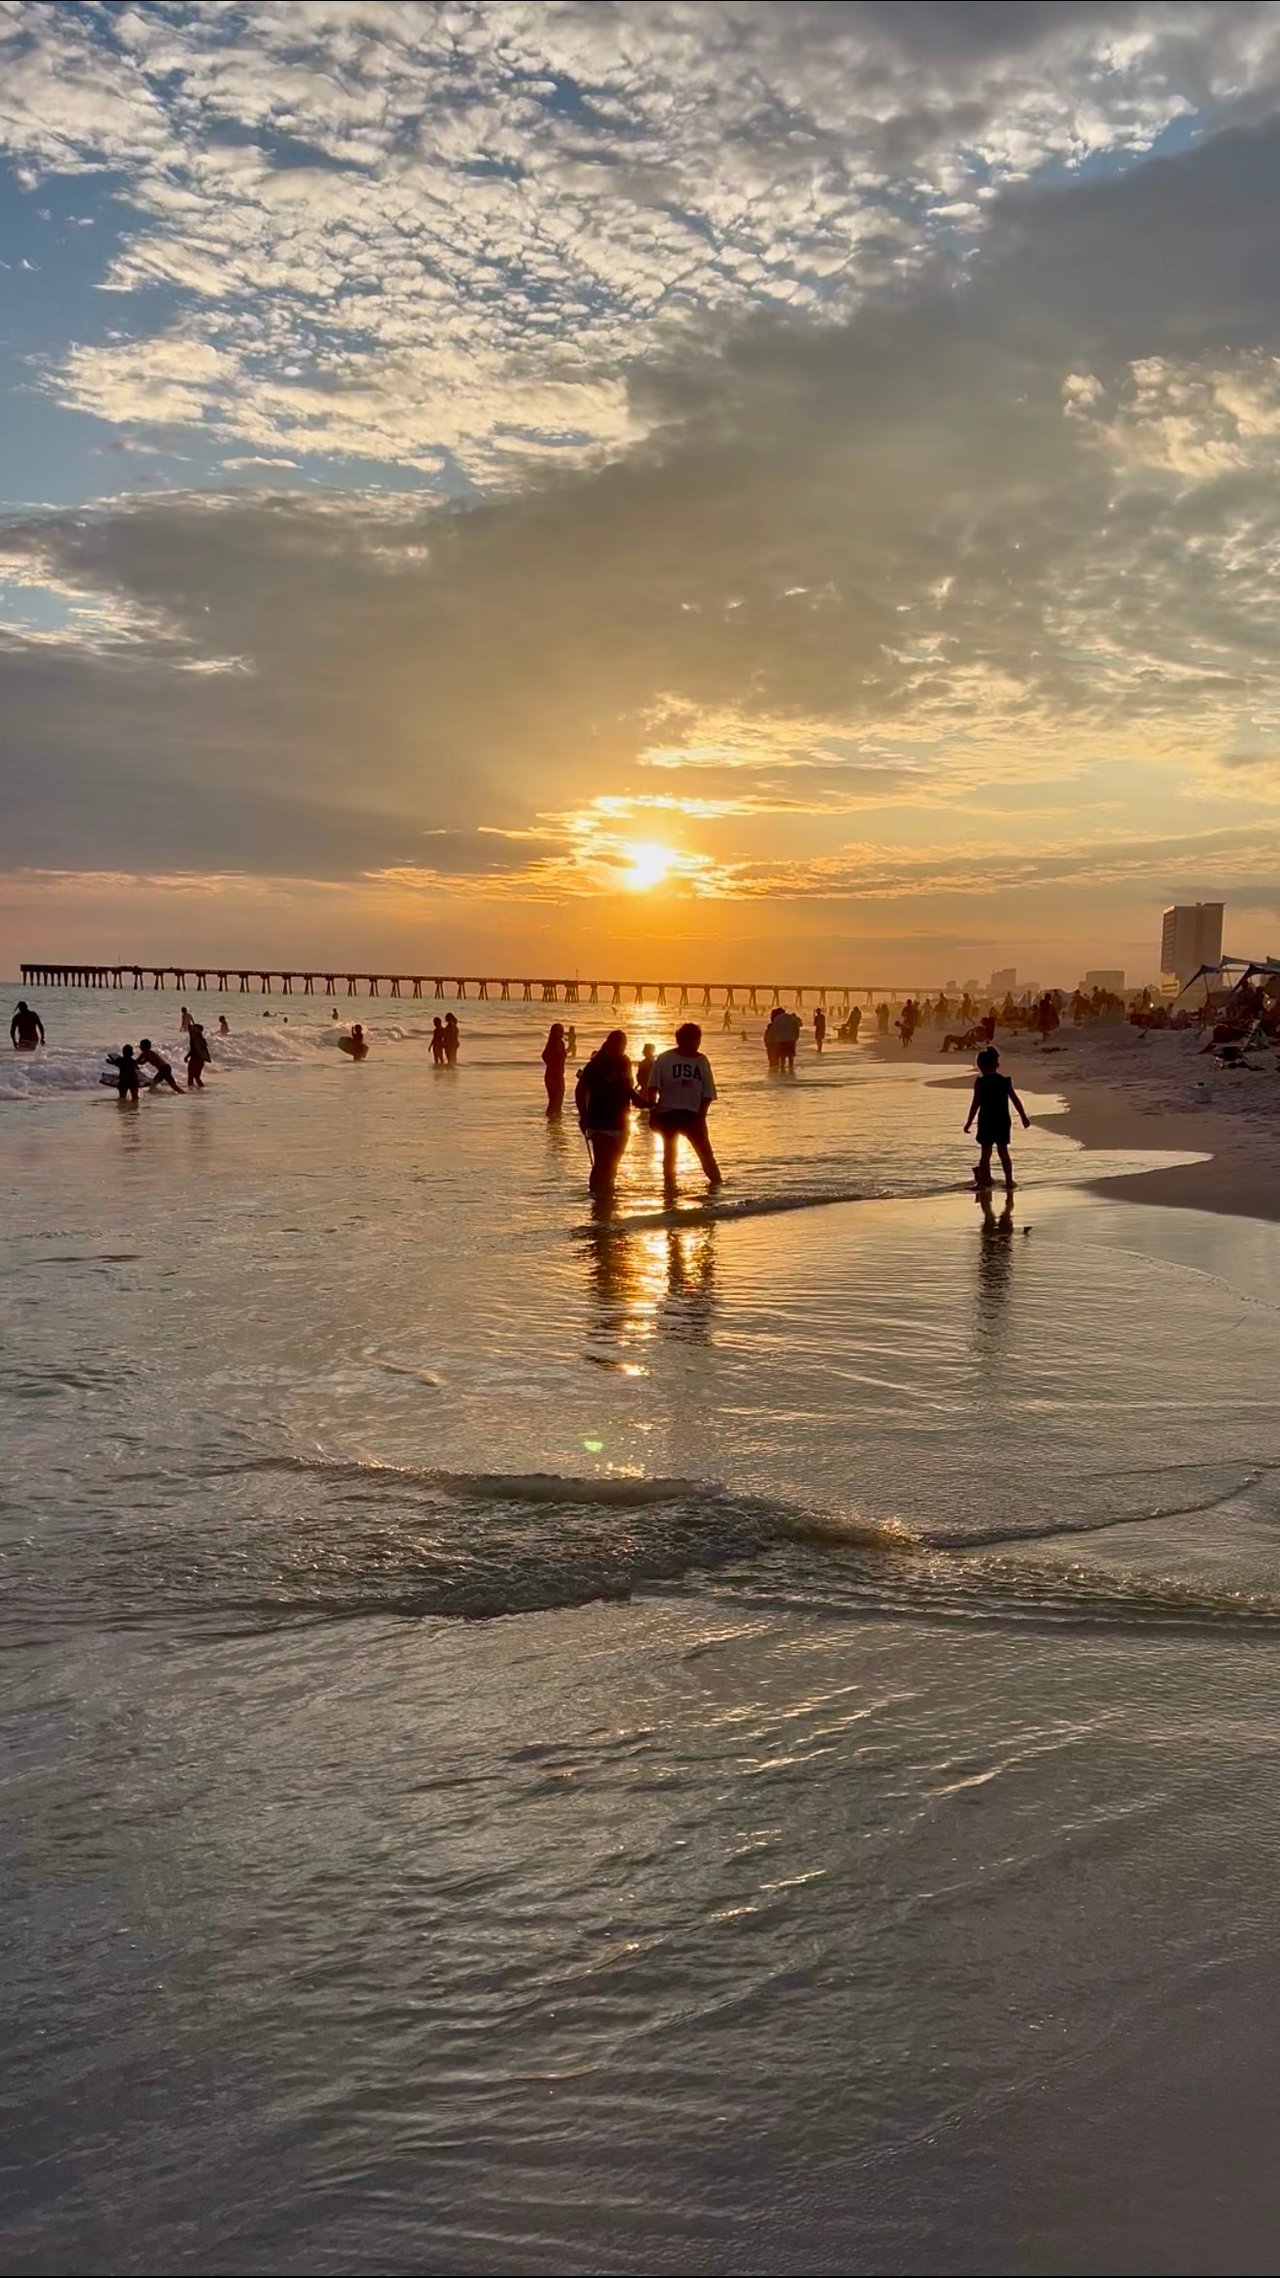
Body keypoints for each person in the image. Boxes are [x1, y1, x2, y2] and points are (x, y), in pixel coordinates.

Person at [644, 1021, 722, 1192]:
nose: (698, 1044)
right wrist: (653, 1111)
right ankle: (670, 1189)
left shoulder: (702, 1061)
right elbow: (653, 1087)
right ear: (691, 1040)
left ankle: (717, 1187)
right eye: (697, 1040)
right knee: (670, 1154)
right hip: (668, 1113)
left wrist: (701, 1117)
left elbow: (707, 1094)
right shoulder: (664, 1059)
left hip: (692, 1115)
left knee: (706, 1154)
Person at [575, 1029, 639, 1200]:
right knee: (602, 1163)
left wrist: (643, 1103)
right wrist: (584, 1116)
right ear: (611, 1044)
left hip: (622, 1120)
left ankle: (606, 1197)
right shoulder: (596, 1064)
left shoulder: (625, 1061)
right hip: (600, 1120)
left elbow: (628, 1088)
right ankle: (598, 1197)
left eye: (624, 1045)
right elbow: (580, 1090)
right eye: (621, 1045)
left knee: (614, 1163)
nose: (623, 1049)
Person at [964, 1045, 1029, 1191]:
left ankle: (981, 1183)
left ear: (980, 1066)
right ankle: (1009, 1181)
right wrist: (1023, 1116)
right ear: (995, 1064)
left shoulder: (980, 1082)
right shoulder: (1004, 1081)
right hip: (1002, 1121)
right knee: (1003, 1151)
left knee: (985, 1154)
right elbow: (1015, 1100)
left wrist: (969, 1123)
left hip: (986, 1121)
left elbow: (975, 1104)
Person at [542, 1022, 568, 1116]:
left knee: (558, 1101)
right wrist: (552, 1067)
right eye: (558, 1031)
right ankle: (551, 1122)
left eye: (561, 1031)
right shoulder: (552, 1044)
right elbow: (544, 1056)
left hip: (559, 1075)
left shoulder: (561, 1043)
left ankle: (554, 1124)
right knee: (554, 1101)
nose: (560, 1033)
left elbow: (561, 1057)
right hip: (552, 1076)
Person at [185, 1021, 211, 1088]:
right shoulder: (201, 1040)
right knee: (197, 1077)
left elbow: (193, 1049)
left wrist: (187, 1056)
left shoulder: (195, 1039)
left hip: (194, 1060)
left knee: (190, 1076)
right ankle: (201, 1090)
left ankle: (190, 1092)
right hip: (200, 1060)